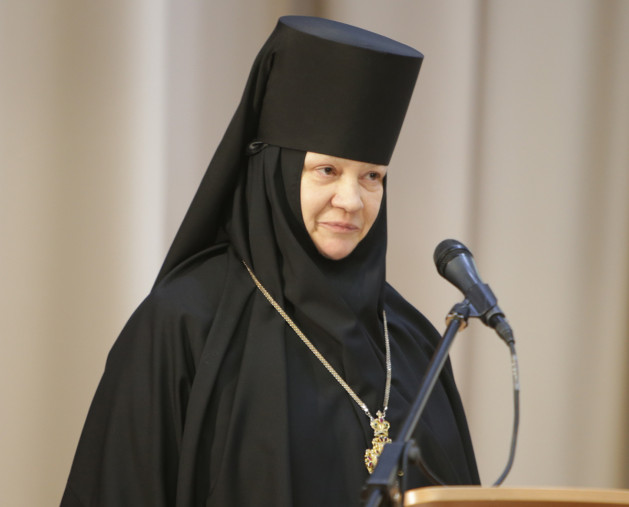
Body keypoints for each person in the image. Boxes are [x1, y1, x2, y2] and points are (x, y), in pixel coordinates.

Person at [61, 16, 480, 507]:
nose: (351, 200)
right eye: (327, 170)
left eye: (372, 177)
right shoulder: (182, 325)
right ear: (275, 170)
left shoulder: (413, 341)